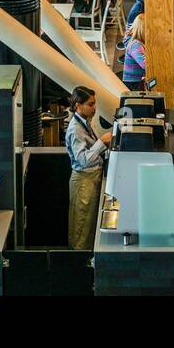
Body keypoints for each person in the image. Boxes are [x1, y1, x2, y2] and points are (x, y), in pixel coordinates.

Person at [65, 86, 112, 250]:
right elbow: (83, 160)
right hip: (83, 182)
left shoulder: (85, 122)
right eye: (90, 104)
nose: (94, 108)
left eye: (94, 104)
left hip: (90, 179)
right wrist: (102, 142)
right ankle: (78, 262)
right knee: (81, 227)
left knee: (89, 225)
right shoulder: (75, 130)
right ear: (78, 105)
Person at [121, 18, 146, 90]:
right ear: (142, 30)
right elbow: (145, 64)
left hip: (137, 79)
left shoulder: (139, 41)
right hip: (133, 82)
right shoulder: (135, 45)